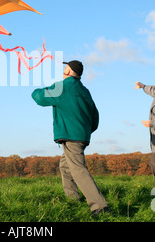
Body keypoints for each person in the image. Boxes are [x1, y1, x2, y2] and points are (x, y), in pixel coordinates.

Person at [31, 60, 109, 215]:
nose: (63, 71)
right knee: (65, 167)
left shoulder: (61, 87)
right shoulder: (85, 90)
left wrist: (35, 90)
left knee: (78, 169)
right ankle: (72, 199)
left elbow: (39, 97)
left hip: (71, 136)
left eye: (65, 68)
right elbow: (95, 115)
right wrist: (85, 131)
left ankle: (99, 206)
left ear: (67, 71)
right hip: (82, 136)